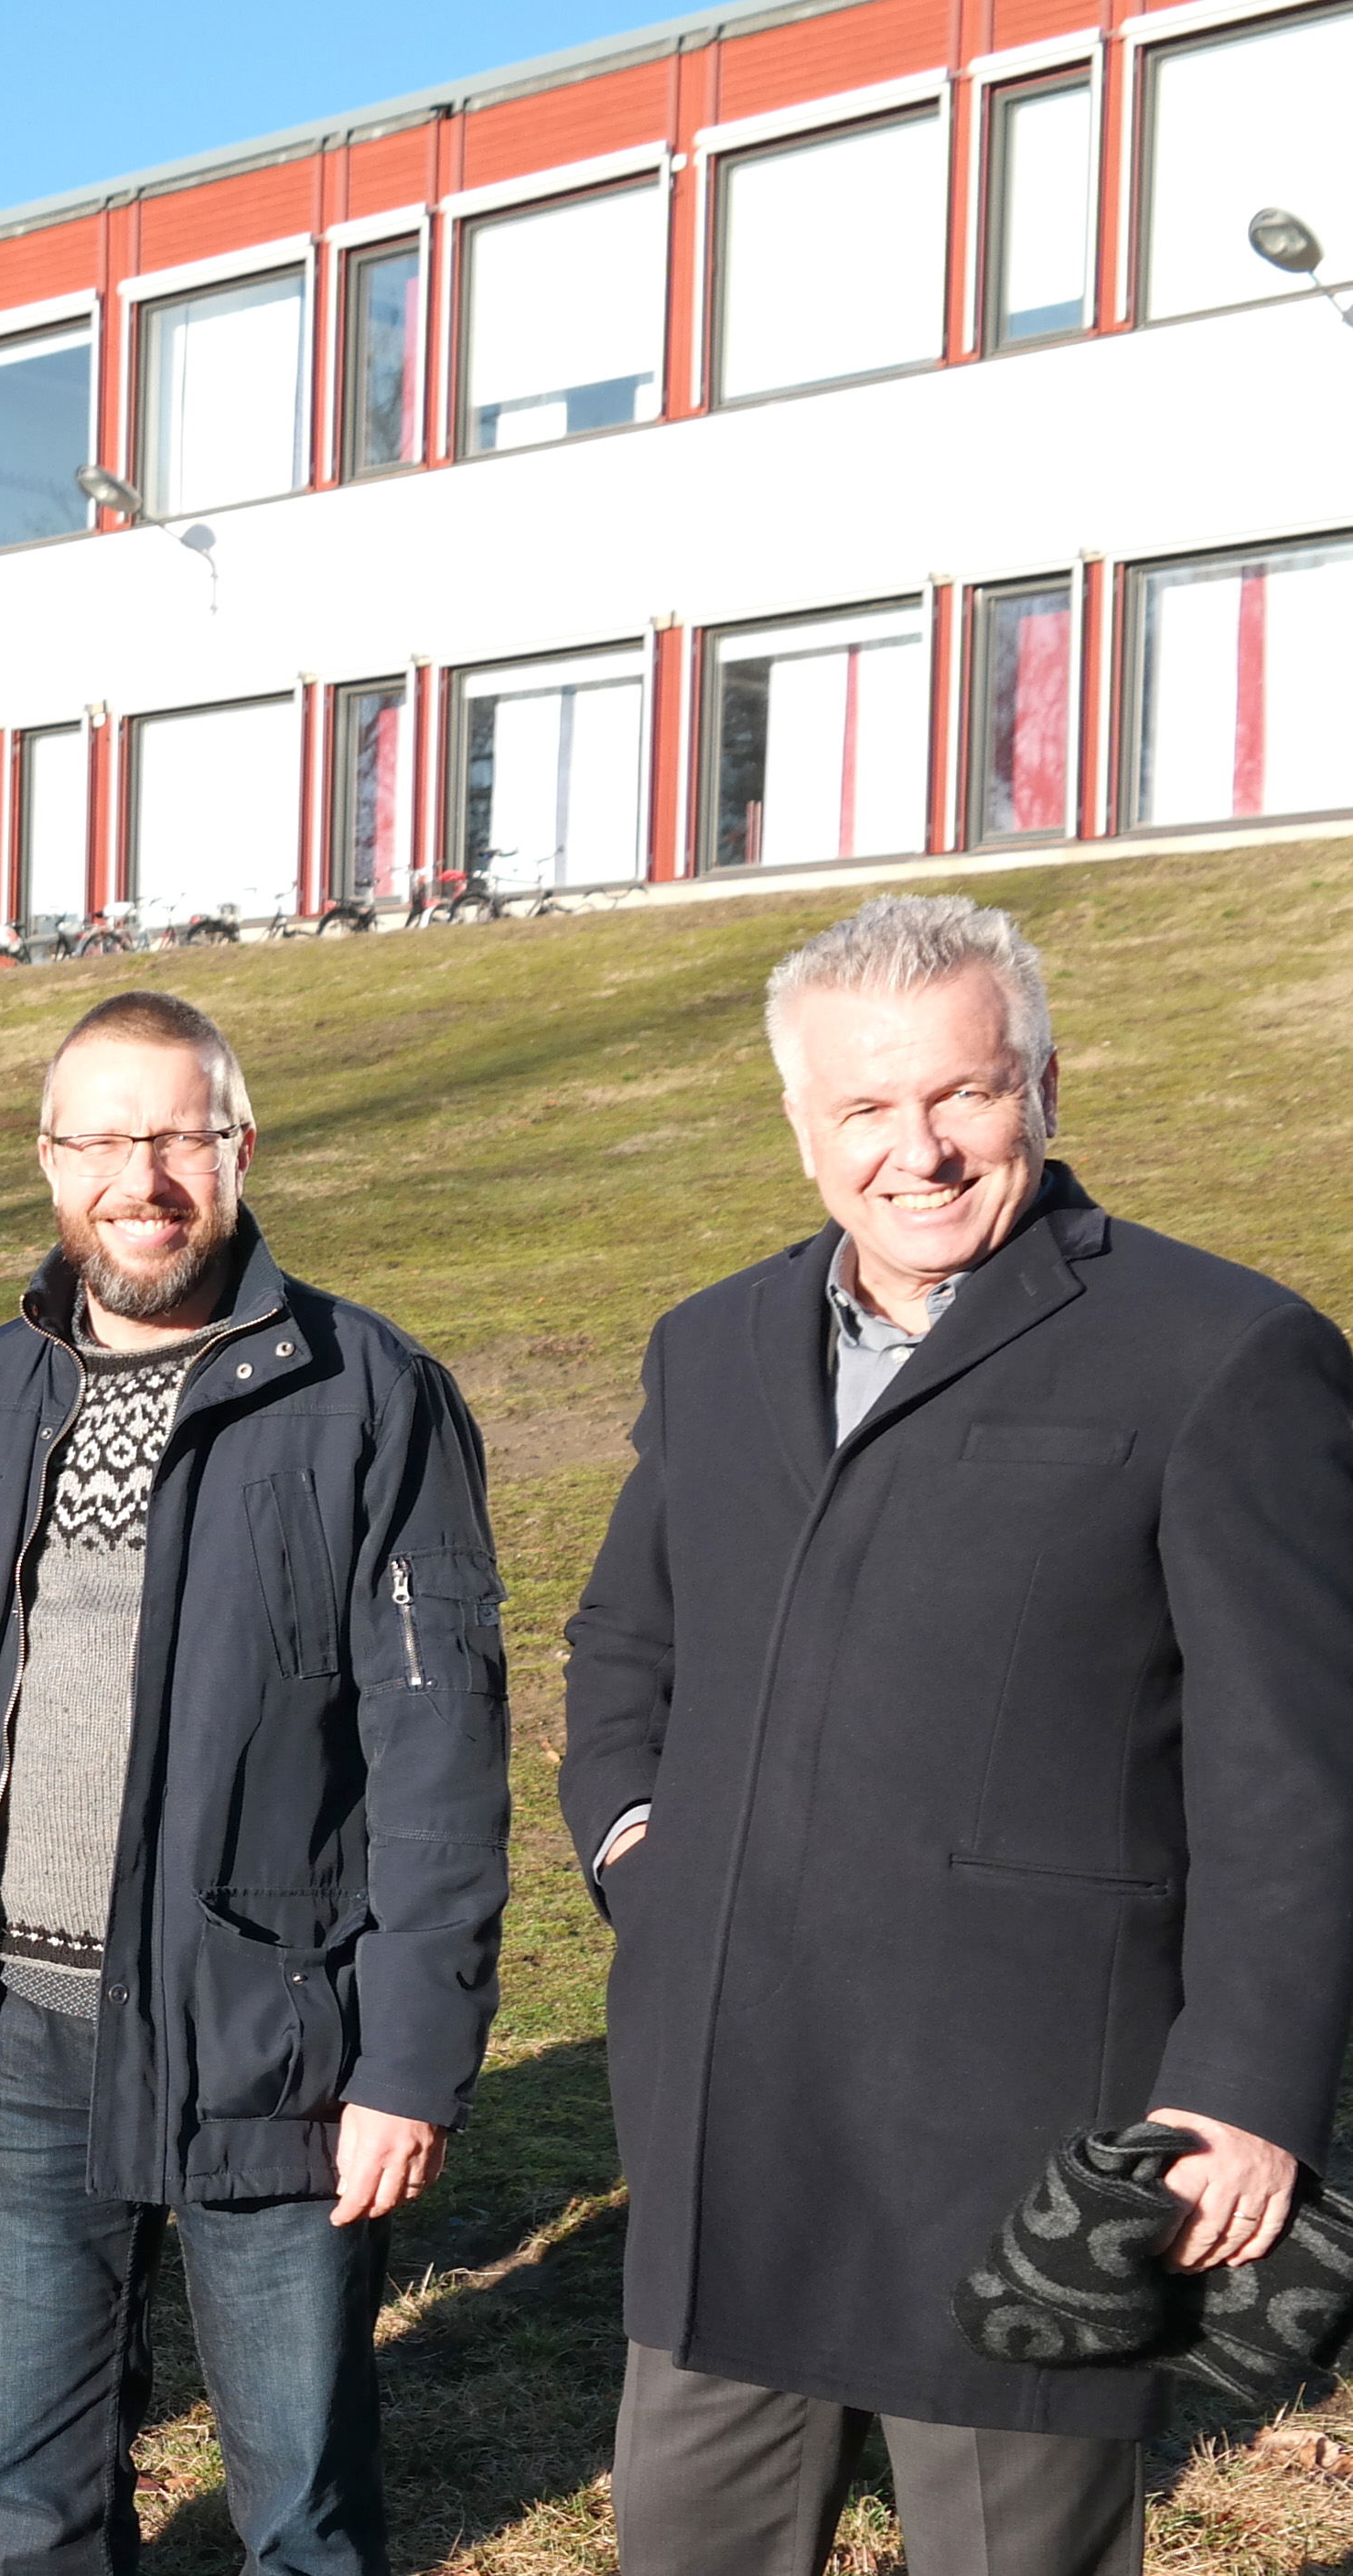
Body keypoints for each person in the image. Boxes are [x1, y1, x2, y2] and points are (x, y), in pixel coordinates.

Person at [561, 896, 1353, 2576]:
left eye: (961, 1096)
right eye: (863, 1108)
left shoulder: (1223, 1355)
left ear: (1044, 1086)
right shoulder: (711, 1348)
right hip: (736, 2108)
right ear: (800, 1122)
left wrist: (1243, 2087)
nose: (914, 1150)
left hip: (1019, 2121)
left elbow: (1299, 1772)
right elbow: (630, 1632)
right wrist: (637, 1842)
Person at [0, 989, 510, 2576]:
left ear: (238, 1148)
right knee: (32, 2504)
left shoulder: (366, 1389)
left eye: (179, 1135)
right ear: (46, 1159)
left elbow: (439, 1749)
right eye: (102, 1137)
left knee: (297, 2510)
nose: (139, 1176)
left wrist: (410, 2063)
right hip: (19, 2042)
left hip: (270, 2036)